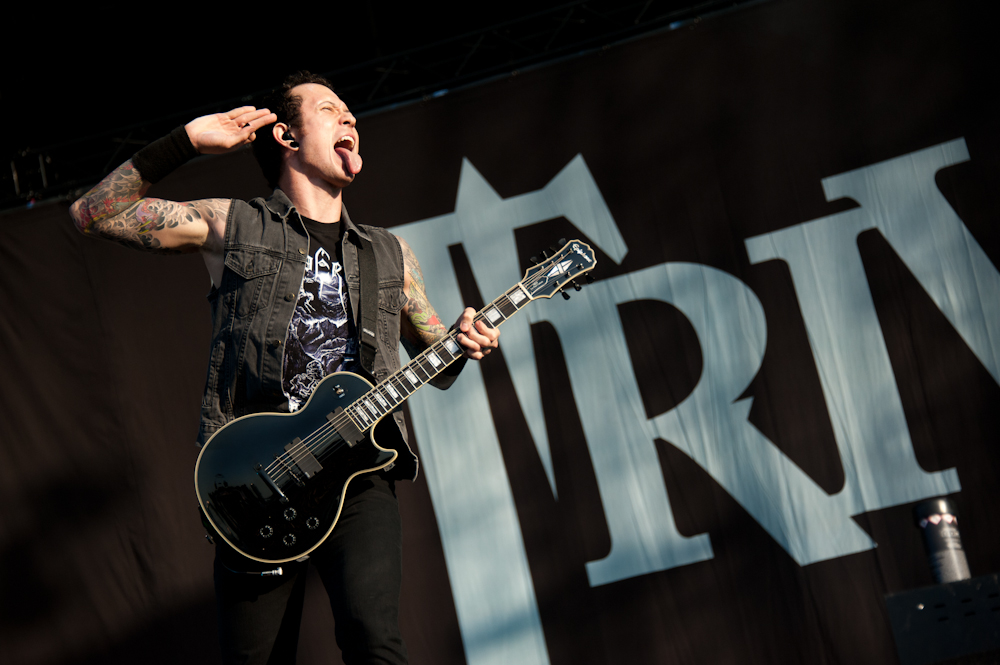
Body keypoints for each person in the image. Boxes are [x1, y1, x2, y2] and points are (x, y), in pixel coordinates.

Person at [69, 71, 499, 665]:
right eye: (329, 109)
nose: (349, 117)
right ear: (287, 137)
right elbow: (94, 213)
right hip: (255, 479)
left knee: (374, 638)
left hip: (358, 471)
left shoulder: (389, 252)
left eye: (350, 111)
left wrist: (466, 339)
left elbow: (439, 362)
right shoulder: (235, 224)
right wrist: (185, 142)